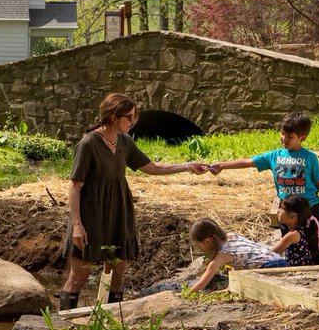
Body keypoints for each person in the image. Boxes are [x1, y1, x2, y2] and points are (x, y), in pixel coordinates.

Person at [61, 93, 211, 309]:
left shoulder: (124, 141)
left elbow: (153, 168)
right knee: (79, 277)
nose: (132, 122)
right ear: (113, 116)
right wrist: (77, 225)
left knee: (117, 275)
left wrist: (188, 166)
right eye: (129, 117)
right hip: (91, 215)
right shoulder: (88, 144)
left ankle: (110, 322)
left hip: (118, 212)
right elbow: (75, 186)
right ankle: (62, 326)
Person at [209, 112, 319, 246]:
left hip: (310, 208)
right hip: (286, 210)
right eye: (282, 133)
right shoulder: (274, 156)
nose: (284, 138)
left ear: (302, 138)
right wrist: (222, 166)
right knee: (290, 244)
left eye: (289, 136)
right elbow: (248, 162)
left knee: (315, 243)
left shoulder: (310, 157)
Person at [188, 218, 288, 292]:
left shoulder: (220, 256)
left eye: (198, 245)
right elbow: (243, 260)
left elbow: (200, 285)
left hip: (269, 267)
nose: (199, 248)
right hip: (279, 260)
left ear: (207, 241)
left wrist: (186, 294)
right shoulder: (231, 236)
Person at [271, 193, 319, 267]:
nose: (278, 211)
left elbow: (272, 252)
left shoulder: (293, 234)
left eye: (282, 208)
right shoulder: (300, 230)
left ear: (292, 216)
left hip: (295, 268)